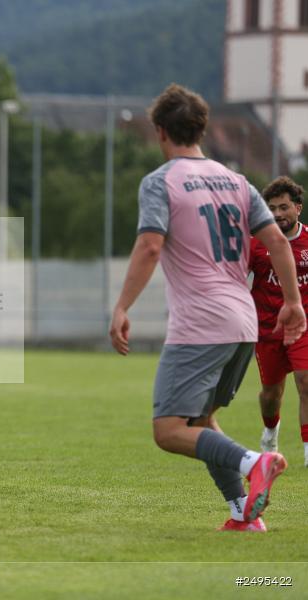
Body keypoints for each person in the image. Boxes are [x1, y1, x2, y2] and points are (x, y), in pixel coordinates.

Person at [109, 84, 306, 532]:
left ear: (160, 131)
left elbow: (150, 245)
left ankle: (255, 462)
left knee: (169, 430)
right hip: (243, 323)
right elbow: (276, 240)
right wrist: (293, 303)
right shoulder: (237, 181)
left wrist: (122, 305)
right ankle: (242, 513)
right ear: (203, 128)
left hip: (201, 324)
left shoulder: (161, 181)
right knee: (201, 420)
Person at [248, 177, 308, 463]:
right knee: (271, 395)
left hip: (303, 328)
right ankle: (270, 431)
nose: (277, 214)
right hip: (267, 329)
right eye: (271, 208)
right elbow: (234, 277)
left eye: (284, 207)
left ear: (298, 208)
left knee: (306, 382)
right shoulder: (257, 243)